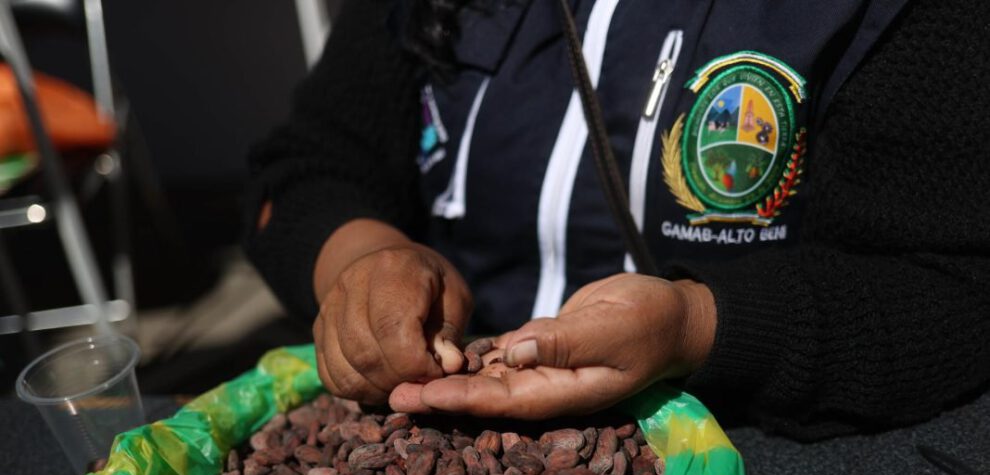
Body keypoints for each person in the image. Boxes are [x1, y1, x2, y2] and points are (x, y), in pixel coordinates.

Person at [245, 0, 990, 439]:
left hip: (753, 455)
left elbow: (950, 286)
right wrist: (359, 263)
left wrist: (696, 326)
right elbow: (310, 168)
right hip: (421, 428)